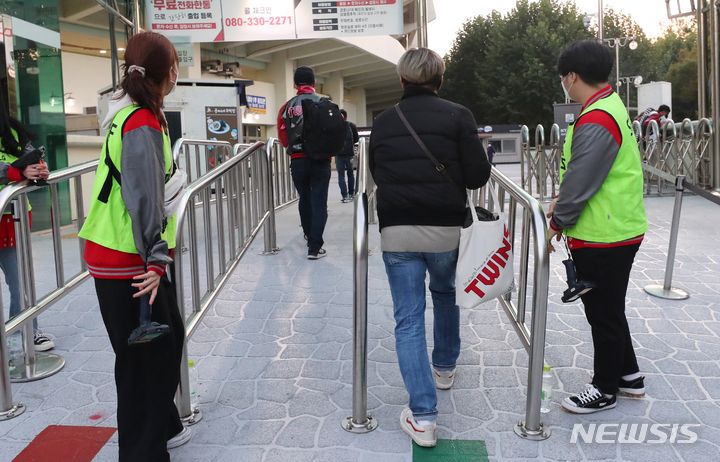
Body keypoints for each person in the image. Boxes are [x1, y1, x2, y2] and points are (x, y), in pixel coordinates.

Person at [369, 47, 491, 447]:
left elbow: (376, 173)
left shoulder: (383, 122)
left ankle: (422, 416)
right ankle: (444, 366)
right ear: (440, 80)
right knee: (445, 294)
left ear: (401, 81)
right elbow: (476, 177)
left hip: (397, 232)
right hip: (444, 231)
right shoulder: (459, 116)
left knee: (407, 319)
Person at [78, 32, 189, 461]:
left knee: (159, 341)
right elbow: (144, 199)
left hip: (120, 251)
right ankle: (143, 452)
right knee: (147, 361)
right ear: (169, 73)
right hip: (131, 256)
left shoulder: (130, 112)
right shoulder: (140, 121)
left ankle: (165, 425)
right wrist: (157, 260)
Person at [550, 39, 648, 414]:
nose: (564, 83)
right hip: (618, 226)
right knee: (611, 308)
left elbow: (580, 181)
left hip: (604, 233)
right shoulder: (610, 104)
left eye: (563, 77)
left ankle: (604, 389)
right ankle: (629, 377)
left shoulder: (596, 118)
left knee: (602, 314)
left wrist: (557, 222)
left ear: (572, 76)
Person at [0, 96, 53, 351]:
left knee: (20, 283)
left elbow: (34, 159)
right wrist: (14, 171)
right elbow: (12, 170)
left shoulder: (12, 131)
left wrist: (40, 168)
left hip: (13, 221)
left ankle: (28, 331)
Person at [277, 66, 330, 259]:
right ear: (314, 83)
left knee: (304, 199)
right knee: (320, 202)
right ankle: (315, 248)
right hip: (320, 160)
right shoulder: (324, 103)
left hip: (297, 160)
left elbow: (283, 138)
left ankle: (308, 235)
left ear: (294, 84)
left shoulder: (287, 107)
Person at [337, 109, 358, 203]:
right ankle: (351, 194)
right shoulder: (352, 125)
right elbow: (356, 139)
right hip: (349, 154)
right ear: (346, 116)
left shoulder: (335, 126)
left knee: (341, 175)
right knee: (350, 174)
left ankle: (344, 195)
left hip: (338, 154)